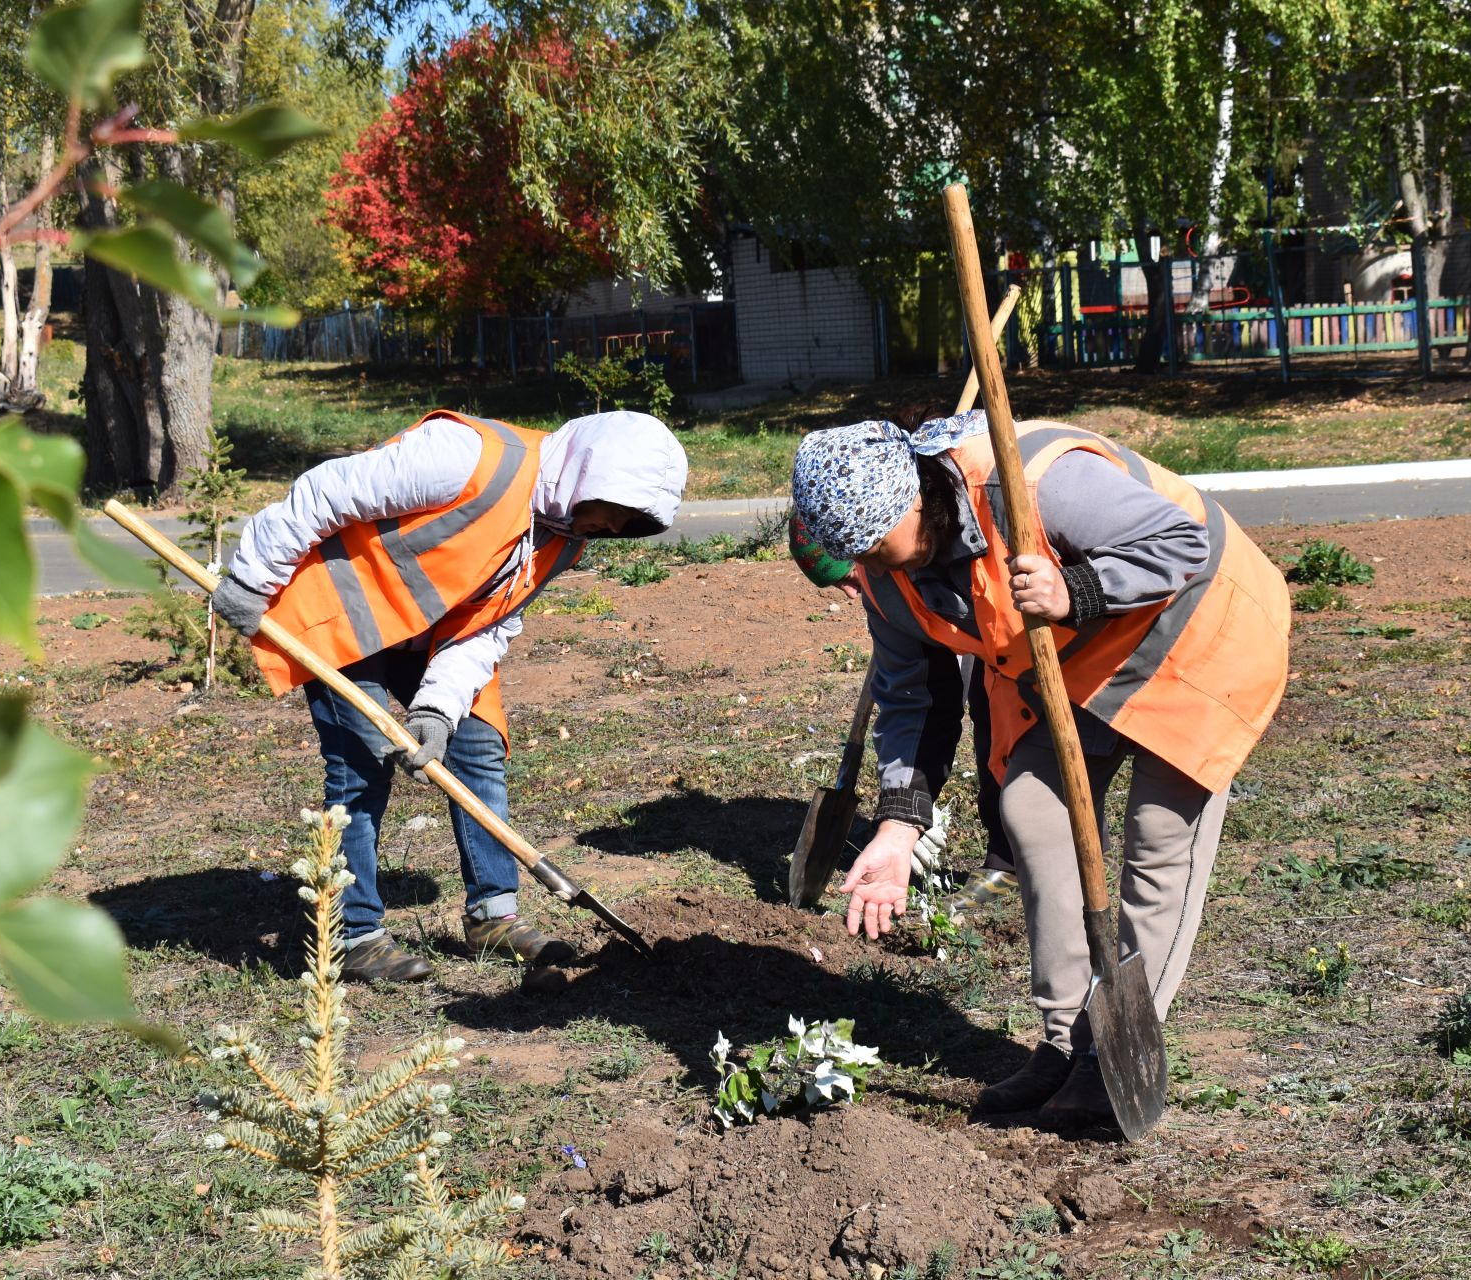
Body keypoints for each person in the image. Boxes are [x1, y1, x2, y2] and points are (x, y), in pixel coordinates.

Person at [790, 410, 1289, 1128]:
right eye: (857, 555)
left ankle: (1111, 1053)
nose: (870, 565)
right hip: (1077, 660)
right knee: (1029, 804)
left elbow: (1185, 542)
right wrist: (898, 829)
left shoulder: (1034, 484)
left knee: (1159, 835)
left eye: (874, 544)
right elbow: (912, 699)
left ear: (914, 499)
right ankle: (1062, 1044)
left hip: (1197, 630)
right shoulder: (887, 579)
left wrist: (1076, 590)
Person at [212, 410, 687, 982]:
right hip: (347, 612)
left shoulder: (562, 538)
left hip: (433, 637)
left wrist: (437, 707)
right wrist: (253, 576)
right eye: (616, 513)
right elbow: (327, 491)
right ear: (591, 476)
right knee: (361, 763)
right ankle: (352, 934)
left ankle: (493, 915)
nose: (613, 530)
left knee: (479, 744)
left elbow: (488, 626)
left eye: (629, 523)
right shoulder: (470, 456)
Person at [790, 514, 1017, 916]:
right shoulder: (883, 579)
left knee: (996, 703)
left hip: (1006, 596)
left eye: (846, 578)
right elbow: (919, 699)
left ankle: (1010, 856)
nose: (848, 594)